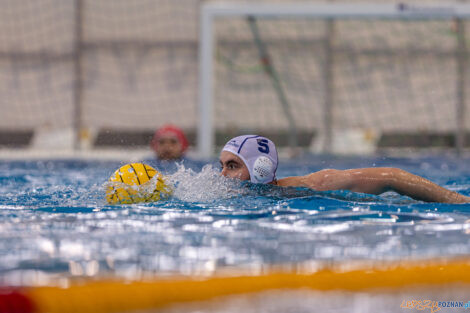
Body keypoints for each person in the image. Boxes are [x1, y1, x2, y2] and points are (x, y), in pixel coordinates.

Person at [219, 135, 470, 204]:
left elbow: (393, 176)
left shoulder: (312, 186)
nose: (222, 176)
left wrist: (455, 200)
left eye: (232, 166)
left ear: (260, 169)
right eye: (222, 166)